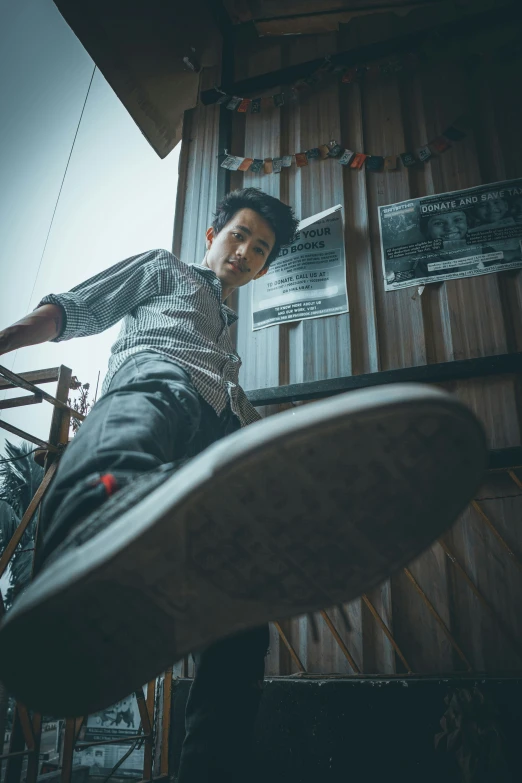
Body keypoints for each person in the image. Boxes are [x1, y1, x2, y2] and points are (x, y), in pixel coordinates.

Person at [0, 188, 486, 782]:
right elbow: (77, 308)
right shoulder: (162, 268)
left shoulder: (229, 331)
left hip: (223, 421)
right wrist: (9, 339)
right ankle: (83, 541)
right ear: (213, 237)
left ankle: (212, 764)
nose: (246, 253)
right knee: (135, 417)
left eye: (260, 250)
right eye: (240, 236)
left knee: (240, 622)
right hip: (162, 375)